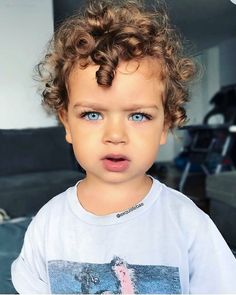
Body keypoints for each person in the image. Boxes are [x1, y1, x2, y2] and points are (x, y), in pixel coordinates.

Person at [11, 0, 236, 293]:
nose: (115, 135)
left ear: (165, 125)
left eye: (139, 115)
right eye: (92, 114)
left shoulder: (189, 225)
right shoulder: (48, 224)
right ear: (67, 123)